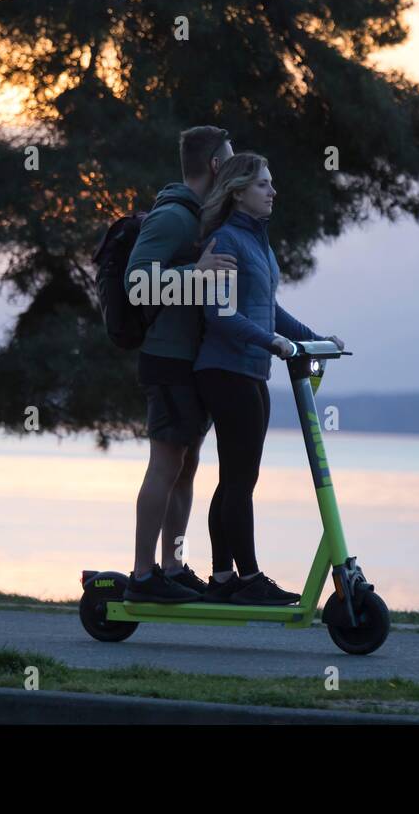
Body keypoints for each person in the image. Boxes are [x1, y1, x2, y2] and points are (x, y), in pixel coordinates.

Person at [192, 152, 344, 605]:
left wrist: (316, 340)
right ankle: (249, 577)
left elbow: (268, 309)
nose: (273, 192)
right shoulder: (224, 242)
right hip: (225, 370)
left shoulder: (259, 243)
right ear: (238, 192)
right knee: (240, 478)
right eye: (263, 185)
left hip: (251, 370)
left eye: (271, 184)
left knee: (237, 478)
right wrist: (271, 342)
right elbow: (219, 315)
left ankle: (223, 580)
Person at [122, 125, 236, 602]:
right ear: (215, 165)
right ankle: (144, 575)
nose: (234, 168)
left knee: (186, 468)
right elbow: (136, 285)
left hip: (189, 361)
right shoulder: (171, 217)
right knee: (164, 467)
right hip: (165, 360)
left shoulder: (200, 217)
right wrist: (198, 272)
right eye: (229, 160)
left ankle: (172, 565)